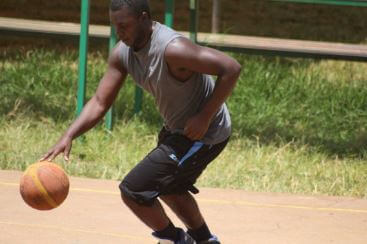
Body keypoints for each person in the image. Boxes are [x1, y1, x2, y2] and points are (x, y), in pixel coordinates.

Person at [41, 0, 241, 243]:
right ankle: (205, 240)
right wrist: (69, 134)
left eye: (124, 26)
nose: (119, 33)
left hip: (205, 133)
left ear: (144, 18)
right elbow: (100, 102)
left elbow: (230, 68)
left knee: (135, 190)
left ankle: (176, 240)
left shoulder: (173, 49)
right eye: (115, 26)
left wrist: (204, 116)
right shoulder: (123, 53)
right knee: (170, 187)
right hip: (177, 130)